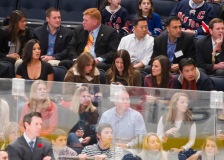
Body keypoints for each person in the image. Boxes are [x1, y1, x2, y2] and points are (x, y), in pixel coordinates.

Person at [157, 92, 196, 156]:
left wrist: (181, 149)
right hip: (165, 154)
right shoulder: (163, 119)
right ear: (175, 104)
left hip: (183, 154)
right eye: (182, 102)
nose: (186, 105)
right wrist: (166, 134)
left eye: (187, 102)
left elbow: (192, 141)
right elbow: (158, 139)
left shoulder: (190, 121)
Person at [66, 86, 99, 150]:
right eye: (83, 96)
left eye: (88, 96)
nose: (86, 99)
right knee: (72, 135)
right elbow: (66, 132)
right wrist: (76, 134)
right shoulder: (70, 113)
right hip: (73, 144)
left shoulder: (94, 112)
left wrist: (90, 138)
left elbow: (97, 132)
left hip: (89, 145)